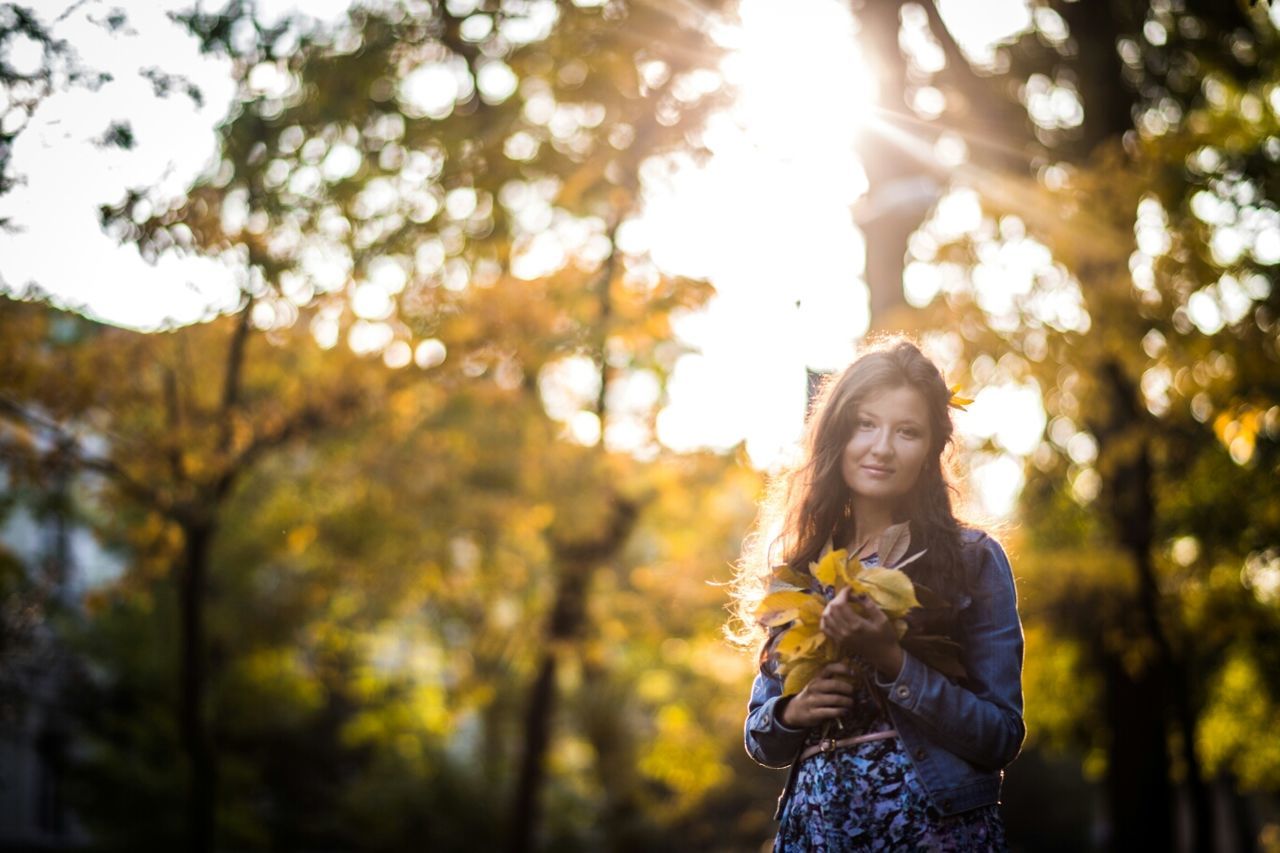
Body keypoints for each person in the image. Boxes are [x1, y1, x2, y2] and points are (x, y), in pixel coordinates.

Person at [731, 338, 1025, 851]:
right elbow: (761, 735)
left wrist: (891, 660)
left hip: (933, 832)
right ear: (837, 435)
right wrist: (795, 713)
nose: (881, 447)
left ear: (933, 448)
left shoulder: (972, 560)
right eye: (865, 424)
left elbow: (999, 735)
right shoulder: (802, 571)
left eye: (906, 431)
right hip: (816, 833)